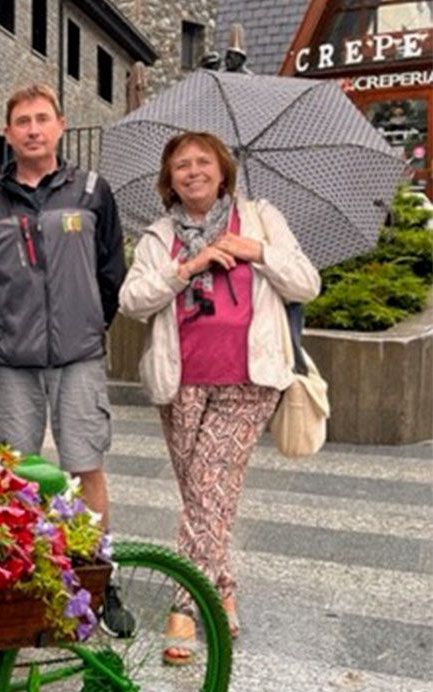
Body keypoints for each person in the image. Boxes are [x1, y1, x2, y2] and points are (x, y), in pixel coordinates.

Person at [118, 131, 319, 664]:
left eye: (203, 162)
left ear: (223, 171)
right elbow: (132, 300)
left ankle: (187, 605)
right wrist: (188, 267)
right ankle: (223, 586)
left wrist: (256, 251)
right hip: (179, 381)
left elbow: (307, 283)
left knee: (207, 488)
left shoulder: (259, 219)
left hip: (249, 380)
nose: (192, 172)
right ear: (170, 180)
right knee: (205, 498)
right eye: (181, 165)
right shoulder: (160, 236)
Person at [0, 84, 132, 637]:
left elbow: (112, 272)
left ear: (60, 126)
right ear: (8, 133)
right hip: (12, 361)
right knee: (14, 476)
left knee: (87, 466)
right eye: (22, 121)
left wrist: (89, 324)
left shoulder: (91, 191)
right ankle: (24, 579)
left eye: (42, 119)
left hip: (79, 357)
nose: (33, 129)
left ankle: (97, 580)